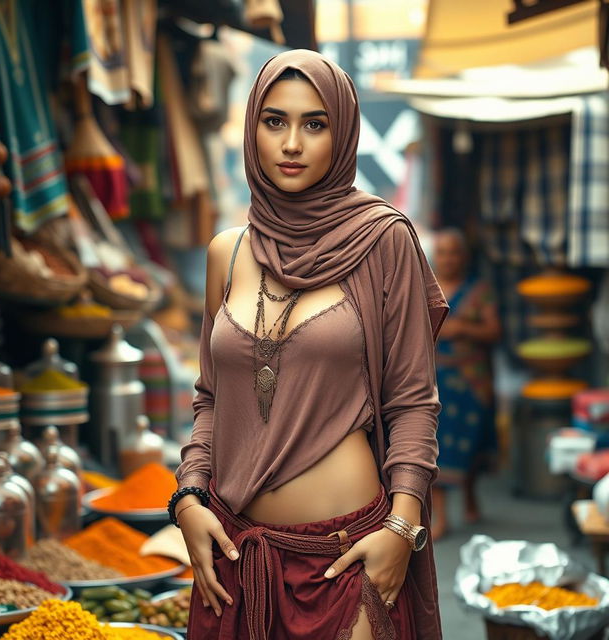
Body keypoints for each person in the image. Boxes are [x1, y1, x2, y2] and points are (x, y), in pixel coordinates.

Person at [169, 49, 449, 640]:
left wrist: (402, 529)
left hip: (346, 559)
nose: (291, 143)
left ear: (342, 133)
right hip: (236, 558)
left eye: (314, 124)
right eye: (275, 121)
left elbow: (413, 404)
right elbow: (210, 399)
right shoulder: (229, 251)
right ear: (253, 131)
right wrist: (189, 499)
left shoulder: (383, 241)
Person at [431, 229, 501, 541]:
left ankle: (471, 496)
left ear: (464, 256)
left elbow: (494, 332)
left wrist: (461, 328)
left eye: (454, 252)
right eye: (442, 252)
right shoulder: (423, 287)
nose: (448, 259)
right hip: (432, 378)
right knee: (436, 446)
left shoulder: (479, 290)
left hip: (471, 380)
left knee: (470, 446)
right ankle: (441, 518)